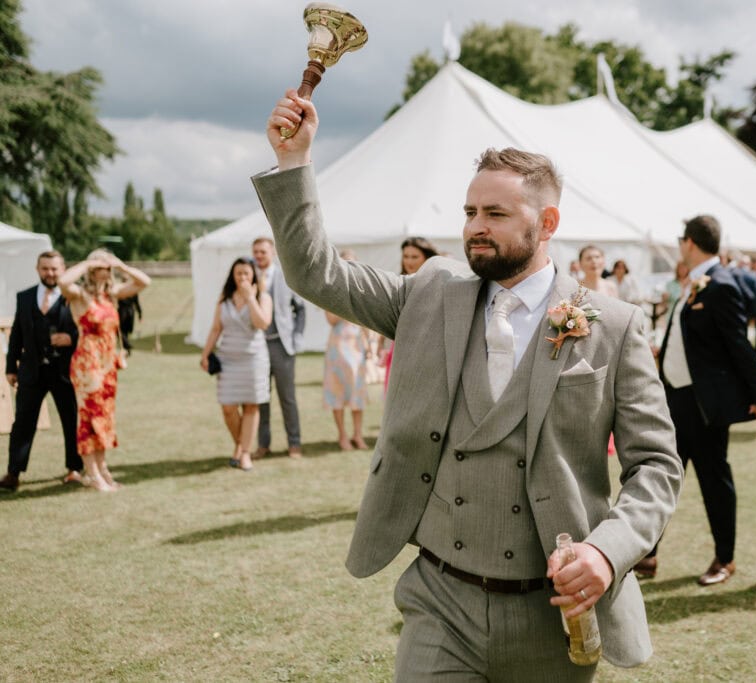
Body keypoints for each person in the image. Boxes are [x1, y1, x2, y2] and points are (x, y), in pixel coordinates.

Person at [258, 90, 682, 680]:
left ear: (548, 222)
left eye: (496, 215)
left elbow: (657, 466)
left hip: (555, 613)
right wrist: (293, 165)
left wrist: (606, 552)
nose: (474, 229)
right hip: (441, 603)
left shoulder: (614, 325)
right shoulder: (428, 293)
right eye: (469, 212)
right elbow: (316, 271)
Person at [644, 216, 756, 584]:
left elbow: (739, 345)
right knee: (661, 476)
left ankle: (725, 558)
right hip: (674, 399)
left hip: (703, 405)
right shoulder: (692, 284)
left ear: (689, 242)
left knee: (714, 481)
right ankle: (647, 556)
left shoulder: (721, 284)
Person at [58, 250, 150, 492]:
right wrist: (88, 261)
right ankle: (93, 472)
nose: (104, 268)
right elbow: (64, 281)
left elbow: (144, 282)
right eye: (101, 265)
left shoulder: (112, 294)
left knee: (105, 417)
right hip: (88, 363)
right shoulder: (79, 295)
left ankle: (102, 467)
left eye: (106, 265)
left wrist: (121, 265)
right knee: (89, 417)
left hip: (108, 364)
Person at [2, 251, 82, 492]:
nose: (50, 273)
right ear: (38, 269)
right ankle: (13, 473)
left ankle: (74, 469)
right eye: (45, 268)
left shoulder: (74, 297)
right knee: (23, 424)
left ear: (63, 269)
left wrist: (72, 338)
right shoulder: (25, 297)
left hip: (64, 371)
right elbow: (17, 332)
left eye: (55, 269)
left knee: (71, 420)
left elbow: (88, 329)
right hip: (31, 370)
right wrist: (10, 366)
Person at [200, 258, 272, 472]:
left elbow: (263, 323)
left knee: (251, 405)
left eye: (246, 273)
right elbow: (215, 329)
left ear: (253, 276)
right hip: (228, 359)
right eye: (238, 273)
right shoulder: (224, 299)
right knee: (228, 407)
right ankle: (241, 446)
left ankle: (244, 453)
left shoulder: (263, 298)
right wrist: (205, 354)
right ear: (233, 275)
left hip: (253, 359)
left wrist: (251, 299)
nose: (242, 277)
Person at [251, 237, 306, 459]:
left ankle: (294, 444)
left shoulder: (286, 277)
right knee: (261, 397)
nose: (259, 255)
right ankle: (263, 445)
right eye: (255, 252)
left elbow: (300, 310)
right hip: (257, 346)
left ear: (272, 252)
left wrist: (297, 339)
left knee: (287, 397)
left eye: (263, 251)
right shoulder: (249, 277)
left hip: (282, 346)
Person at [325, 249, 370, 451]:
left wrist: (369, 346)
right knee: (337, 391)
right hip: (338, 347)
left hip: (357, 346)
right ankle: (342, 435)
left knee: (357, 393)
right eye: (344, 263)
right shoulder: (331, 290)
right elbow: (331, 320)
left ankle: (358, 435)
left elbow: (368, 322)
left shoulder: (363, 289)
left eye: (352, 262)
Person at [381, 237, 439, 391]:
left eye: (414, 257)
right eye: (406, 256)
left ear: (426, 258)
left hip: (427, 351)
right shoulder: (397, 284)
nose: (409, 261)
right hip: (398, 349)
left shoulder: (437, 284)